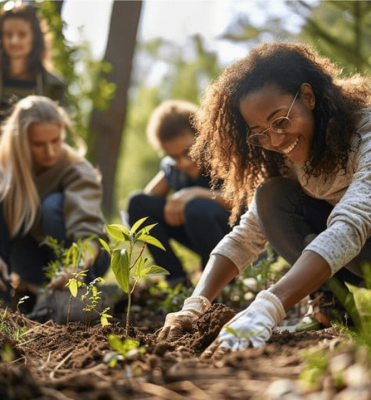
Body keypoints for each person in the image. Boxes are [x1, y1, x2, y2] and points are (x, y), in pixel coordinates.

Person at [158, 41, 371, 356]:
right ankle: (331, 307)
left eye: (280, 121)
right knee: (270, 198)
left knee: (353, 231)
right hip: (357, 248)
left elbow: (353, 224)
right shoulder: (285, 157)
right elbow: (248, 234)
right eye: (259, 132)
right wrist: (195, 305)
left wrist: (269, 306)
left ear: (308, 97)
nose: (274, 140)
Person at [0, 95, 109, 311]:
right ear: (20, 142)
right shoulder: (6, 168)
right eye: (39, 144)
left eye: (56, 141)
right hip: (33, 260)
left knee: (52, 205)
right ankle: (15, 299)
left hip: (84, 260)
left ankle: (80, 295)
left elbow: (88, 233)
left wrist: (76, 266)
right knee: (6, 200)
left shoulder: (76, 169)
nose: (50, 152)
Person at [127, 99, 233, 287]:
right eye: (174, 156)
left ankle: (218, 279)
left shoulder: (222, 155)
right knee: (138, 203)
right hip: (194, 232)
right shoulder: (175, 168)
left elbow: (243, 201)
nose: (183, 161)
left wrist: (194, 192)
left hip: (228, 235)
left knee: (195, 206)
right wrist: (171, 172)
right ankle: (176, 279)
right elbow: (146, 200)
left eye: (189, 152)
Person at [0, 3, 65, 122]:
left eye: (22, 34)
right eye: (8, 34)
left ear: (34, 38)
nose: (14, 41)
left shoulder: (53, 86)